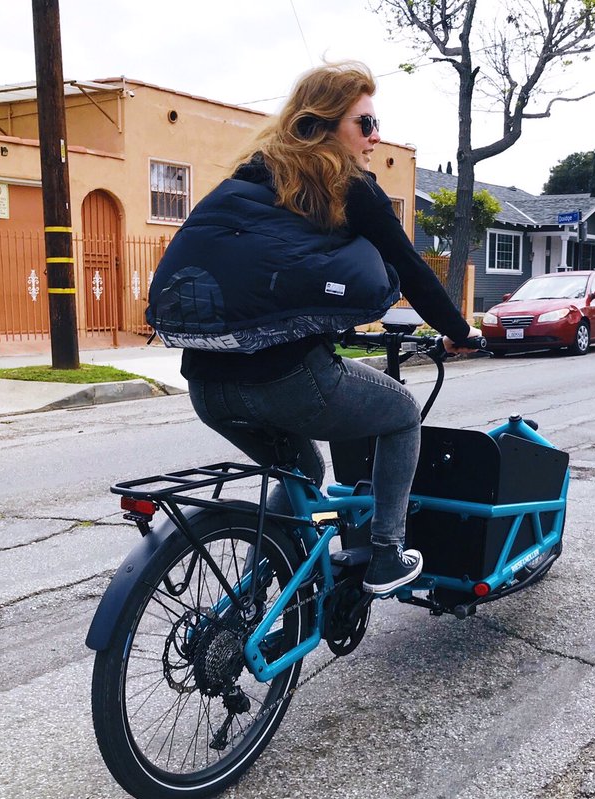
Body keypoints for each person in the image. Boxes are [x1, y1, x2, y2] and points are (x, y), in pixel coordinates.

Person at [171, 61, 480, 596]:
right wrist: (461, 331)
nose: (375, 136)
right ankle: (385, 553)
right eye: (365, 123)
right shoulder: (346, 184)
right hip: (287, 380)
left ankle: (255, 588)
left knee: (302, 471)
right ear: (325, 124)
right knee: (402, 414)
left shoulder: (249, 177)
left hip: (206, 383)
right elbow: (408, 267)